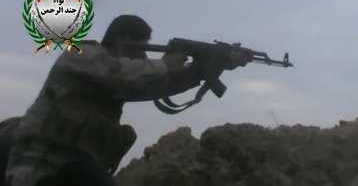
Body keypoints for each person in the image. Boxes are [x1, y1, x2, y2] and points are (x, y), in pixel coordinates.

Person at [5, 15, 249, 186]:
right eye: (139, 49)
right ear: (122, 40)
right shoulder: (80, 55)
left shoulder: (121, 82)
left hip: (74, 164)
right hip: (38, 160)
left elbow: (158, 87)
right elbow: (118, 72)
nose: (143, 56)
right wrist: (164, 64)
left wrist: (210, 68)